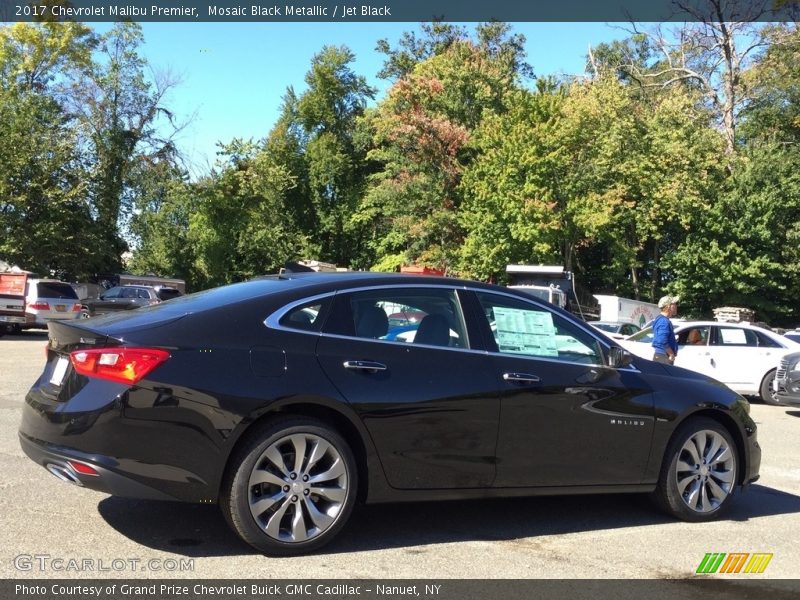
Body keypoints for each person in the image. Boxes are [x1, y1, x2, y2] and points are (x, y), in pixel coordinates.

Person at [652, 295, 679, 364]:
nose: (676, 306)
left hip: (661, 356)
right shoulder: (664, 321)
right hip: (663, 357)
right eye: (674, 304)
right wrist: (671, 354)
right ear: (668, 306)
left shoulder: (660, 319)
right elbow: (662, 340)